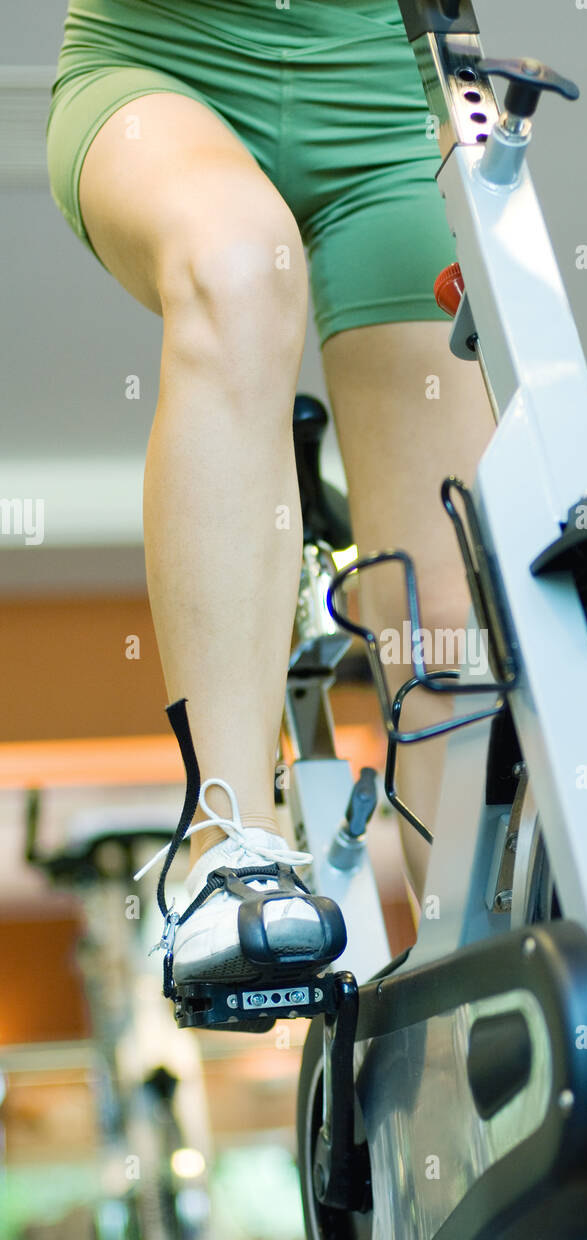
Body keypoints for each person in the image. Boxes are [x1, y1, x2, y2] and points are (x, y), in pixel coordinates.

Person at [46, 0, 495, 984]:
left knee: (447, 607)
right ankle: (230, 845)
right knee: (240, 264)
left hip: (390, 96)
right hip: (164, 67)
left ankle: (476, 969)